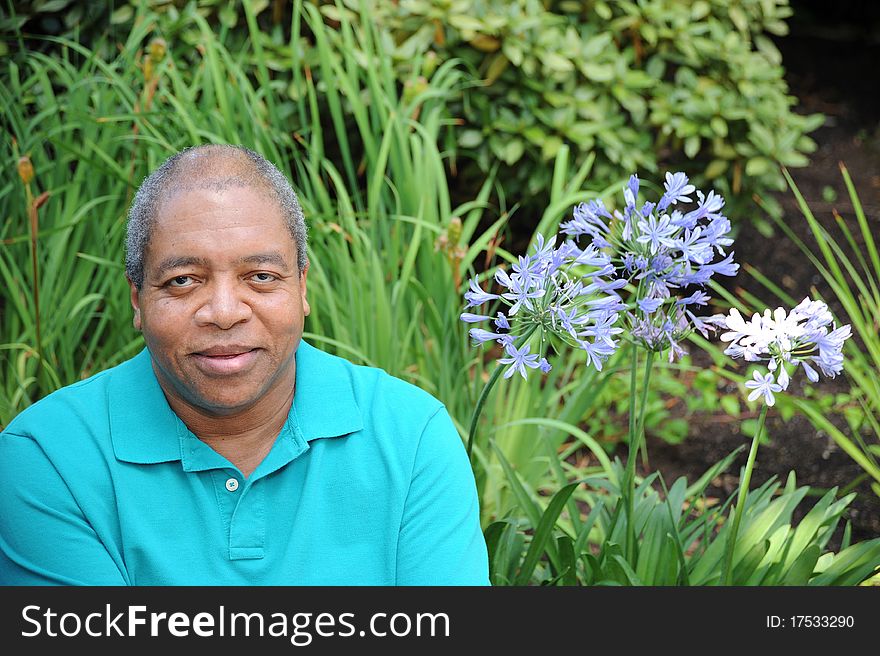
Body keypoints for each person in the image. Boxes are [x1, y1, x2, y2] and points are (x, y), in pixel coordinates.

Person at [0, 144, 489, 585]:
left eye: (260, 275)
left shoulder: (410, 436)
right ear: (137, 298)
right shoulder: (48, 457)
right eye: (183, 281)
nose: (226, 312)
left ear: (302, 287)